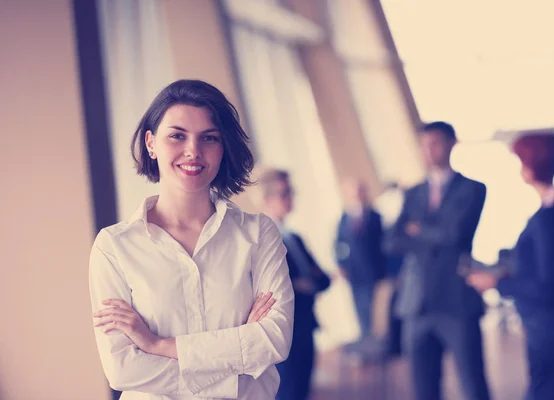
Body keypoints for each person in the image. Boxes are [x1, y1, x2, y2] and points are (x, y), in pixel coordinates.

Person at [89, 80, 294, 400]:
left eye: (209, 138)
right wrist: (238, 366)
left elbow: (274, 339)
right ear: (151, 143)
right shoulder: (114, 247)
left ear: (222, 147)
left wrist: (158, 346)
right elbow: (123, 369)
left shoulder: (257, 233)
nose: (193, 151)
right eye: (177, 135)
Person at [468, 132, 554, 400]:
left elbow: (548, 287)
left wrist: (496, 282)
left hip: (550, 326)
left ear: (531, 163)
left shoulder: (548, 219)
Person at [384, 121, 490, 400]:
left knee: (473, 384)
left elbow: (455, 235)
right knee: (423, 388)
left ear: (452, 144)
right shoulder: (413, 192)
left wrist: (417, 229)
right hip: (416, 304)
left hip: (456, 301)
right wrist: (431, 232)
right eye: (424, 144)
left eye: (436, 143)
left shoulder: (473, 189)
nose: (429, 150)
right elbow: (393, 240)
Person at [256, 168, 331, 400]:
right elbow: (266, 289)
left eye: (291, 192)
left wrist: (301, 284)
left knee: (302, 390)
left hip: (306, 324)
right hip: (282, 330)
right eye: (284, 193)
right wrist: (301, 284)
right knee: (286, 391)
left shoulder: (294, 237)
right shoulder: (259, 239)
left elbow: (323, 280)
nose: (290, 198)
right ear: (267, 199)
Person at [335, 178, 386, 340]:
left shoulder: (375, 216)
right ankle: (367, 341)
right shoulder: (344, 218)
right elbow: (339, 244)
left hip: (374, 272)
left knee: (377, 310)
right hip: (354, 274)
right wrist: (341, 264)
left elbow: (383, 244)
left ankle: (381, 342)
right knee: (361, 309)